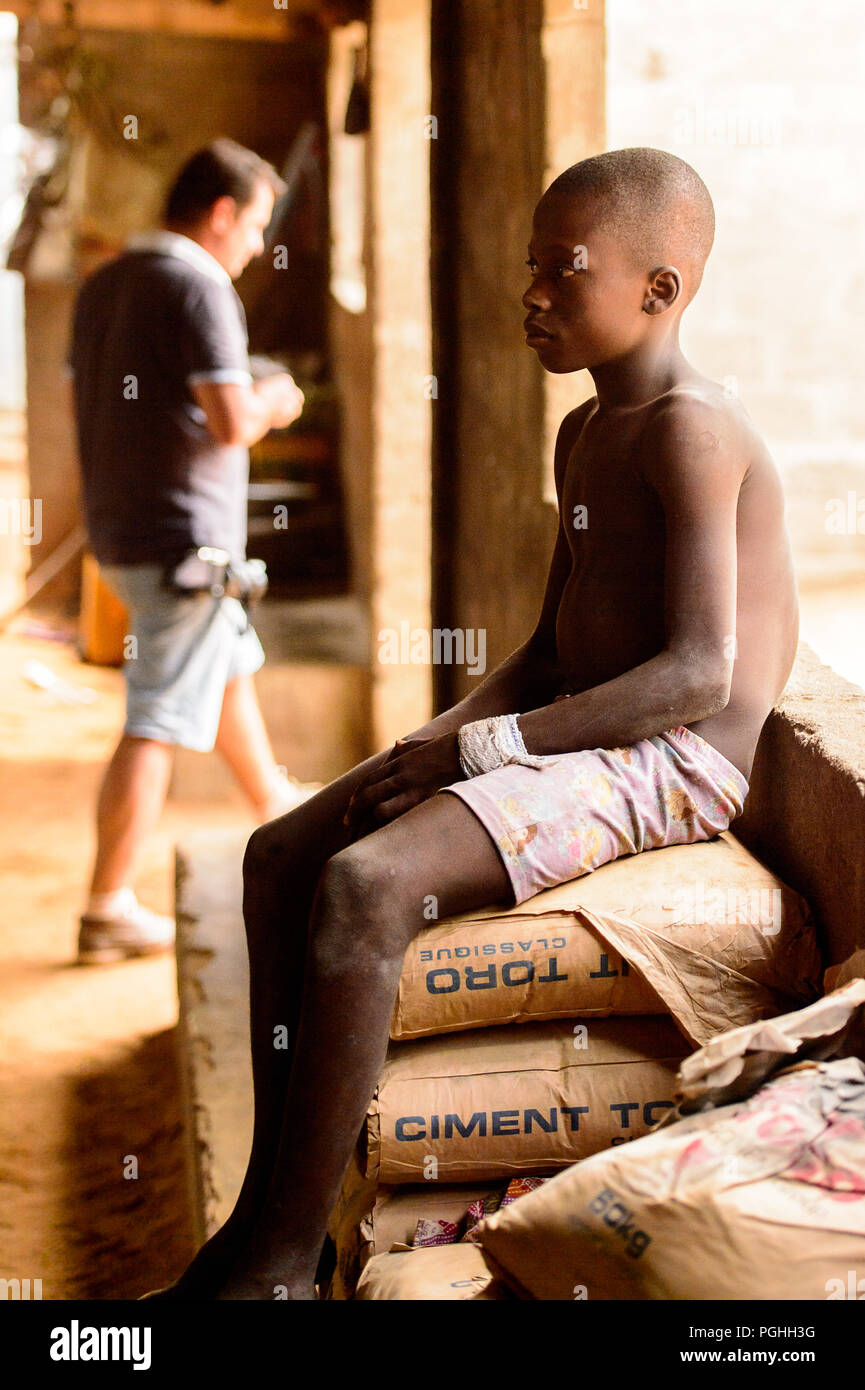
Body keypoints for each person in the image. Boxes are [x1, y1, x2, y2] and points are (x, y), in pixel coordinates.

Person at [151, 147, 799, 1298]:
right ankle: (276, 1210)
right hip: (587, 730)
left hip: (680, 759)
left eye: (565, 268)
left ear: (659, 290)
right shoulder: (584, 432)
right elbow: (549, 650)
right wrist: (431, 739)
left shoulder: (689, 429)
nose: (532, 291)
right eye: (530, 265)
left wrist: (489, 750)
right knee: (283, 849)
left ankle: (272, 1264)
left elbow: (699, 674)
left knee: (363, 886)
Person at [69, 139, 306, 965]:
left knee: (229, 667)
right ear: (220, 214)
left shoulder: (105, 284)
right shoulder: (198, 287)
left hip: (127, 530)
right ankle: (105, 908)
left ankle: (279, 817)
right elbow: (231, 420)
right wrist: (275, 394)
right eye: (254, 227)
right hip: (184, 546)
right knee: (158, 719)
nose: (253, 246)